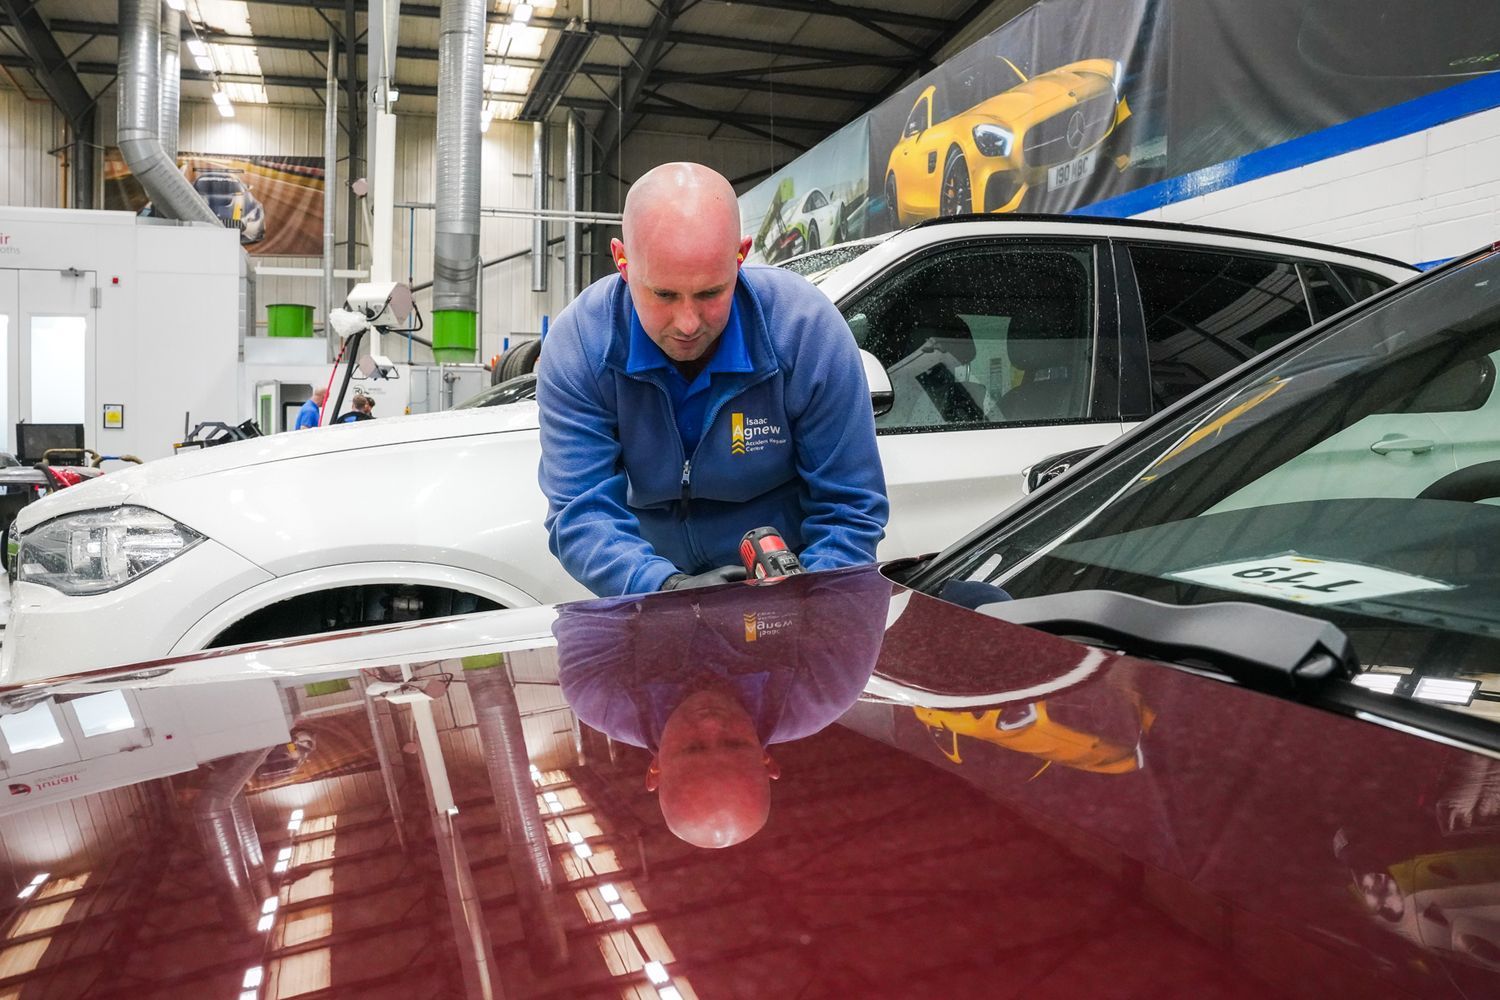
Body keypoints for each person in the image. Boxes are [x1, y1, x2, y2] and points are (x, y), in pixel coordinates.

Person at [537, 162, 888, 598]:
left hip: (793, 589)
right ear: (622, 262)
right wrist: (666, 588)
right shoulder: (581, 347)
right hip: (651, 595)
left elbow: (850, 509)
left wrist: (806, 606)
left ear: (740, 257)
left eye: (710, 293)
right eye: (663, 294)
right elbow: (581, 512)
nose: (687, 324)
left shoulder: (806, 332)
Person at [555, 568, 891, 848]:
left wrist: (664, 579)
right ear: (766, 759)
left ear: (655, 768)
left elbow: (593, 584)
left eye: (693, 747)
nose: (711, 725)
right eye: (734, 743)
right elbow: (853, 569)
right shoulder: (823, 690)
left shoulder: (600, 695)